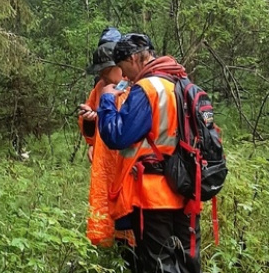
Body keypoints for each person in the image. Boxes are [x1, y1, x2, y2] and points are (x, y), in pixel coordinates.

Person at [97, 33, 201, 273]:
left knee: (157, 265)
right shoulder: (182, 82)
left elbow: (117, 135)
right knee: (188, 263)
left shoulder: (147, 88)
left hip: (155, 194)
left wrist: (107, 102)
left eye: (123, 68)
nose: (124, 76)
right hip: (188, 188)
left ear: (133, 58)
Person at [77, 40, 136, 254]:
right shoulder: (100, 88)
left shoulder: (136, 87)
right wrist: (90, 119)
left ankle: (128, 250)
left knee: (127, 206)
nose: (101, 75)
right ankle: (107, 250)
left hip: (126, 160)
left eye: (104, 70)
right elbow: (89, 130)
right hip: (104, 160)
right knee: (104, 202)